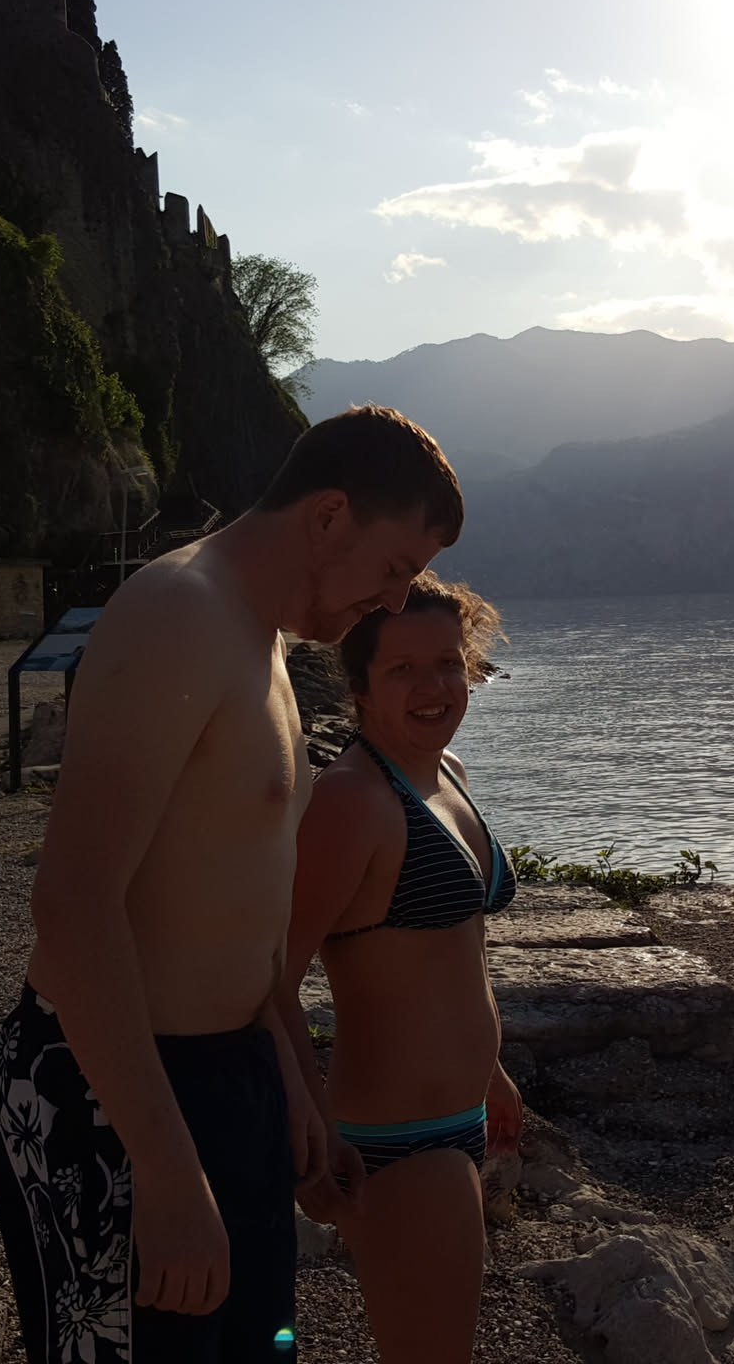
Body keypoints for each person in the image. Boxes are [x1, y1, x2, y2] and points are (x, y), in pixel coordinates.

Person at [0, 406, 463, 1364]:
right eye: (394, 566)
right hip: (116, 1090)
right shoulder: (178, 613)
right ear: (328, 516)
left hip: (227, 1078)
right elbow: (73, 904)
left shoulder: (263, 642)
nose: (392, 599)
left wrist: (301, 1097)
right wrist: (166, 1176)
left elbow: (246, 911)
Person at [275, 574, 520, 1364]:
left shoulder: (447, 775)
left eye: (448, 663)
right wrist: (311, 1130)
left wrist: (491, 1072)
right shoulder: (351, 801)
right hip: (396, 1139)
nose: (434, 688)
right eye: (403, 670)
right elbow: (269, 982)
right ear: (359, 688)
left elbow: (455, 950)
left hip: (460, 1117)